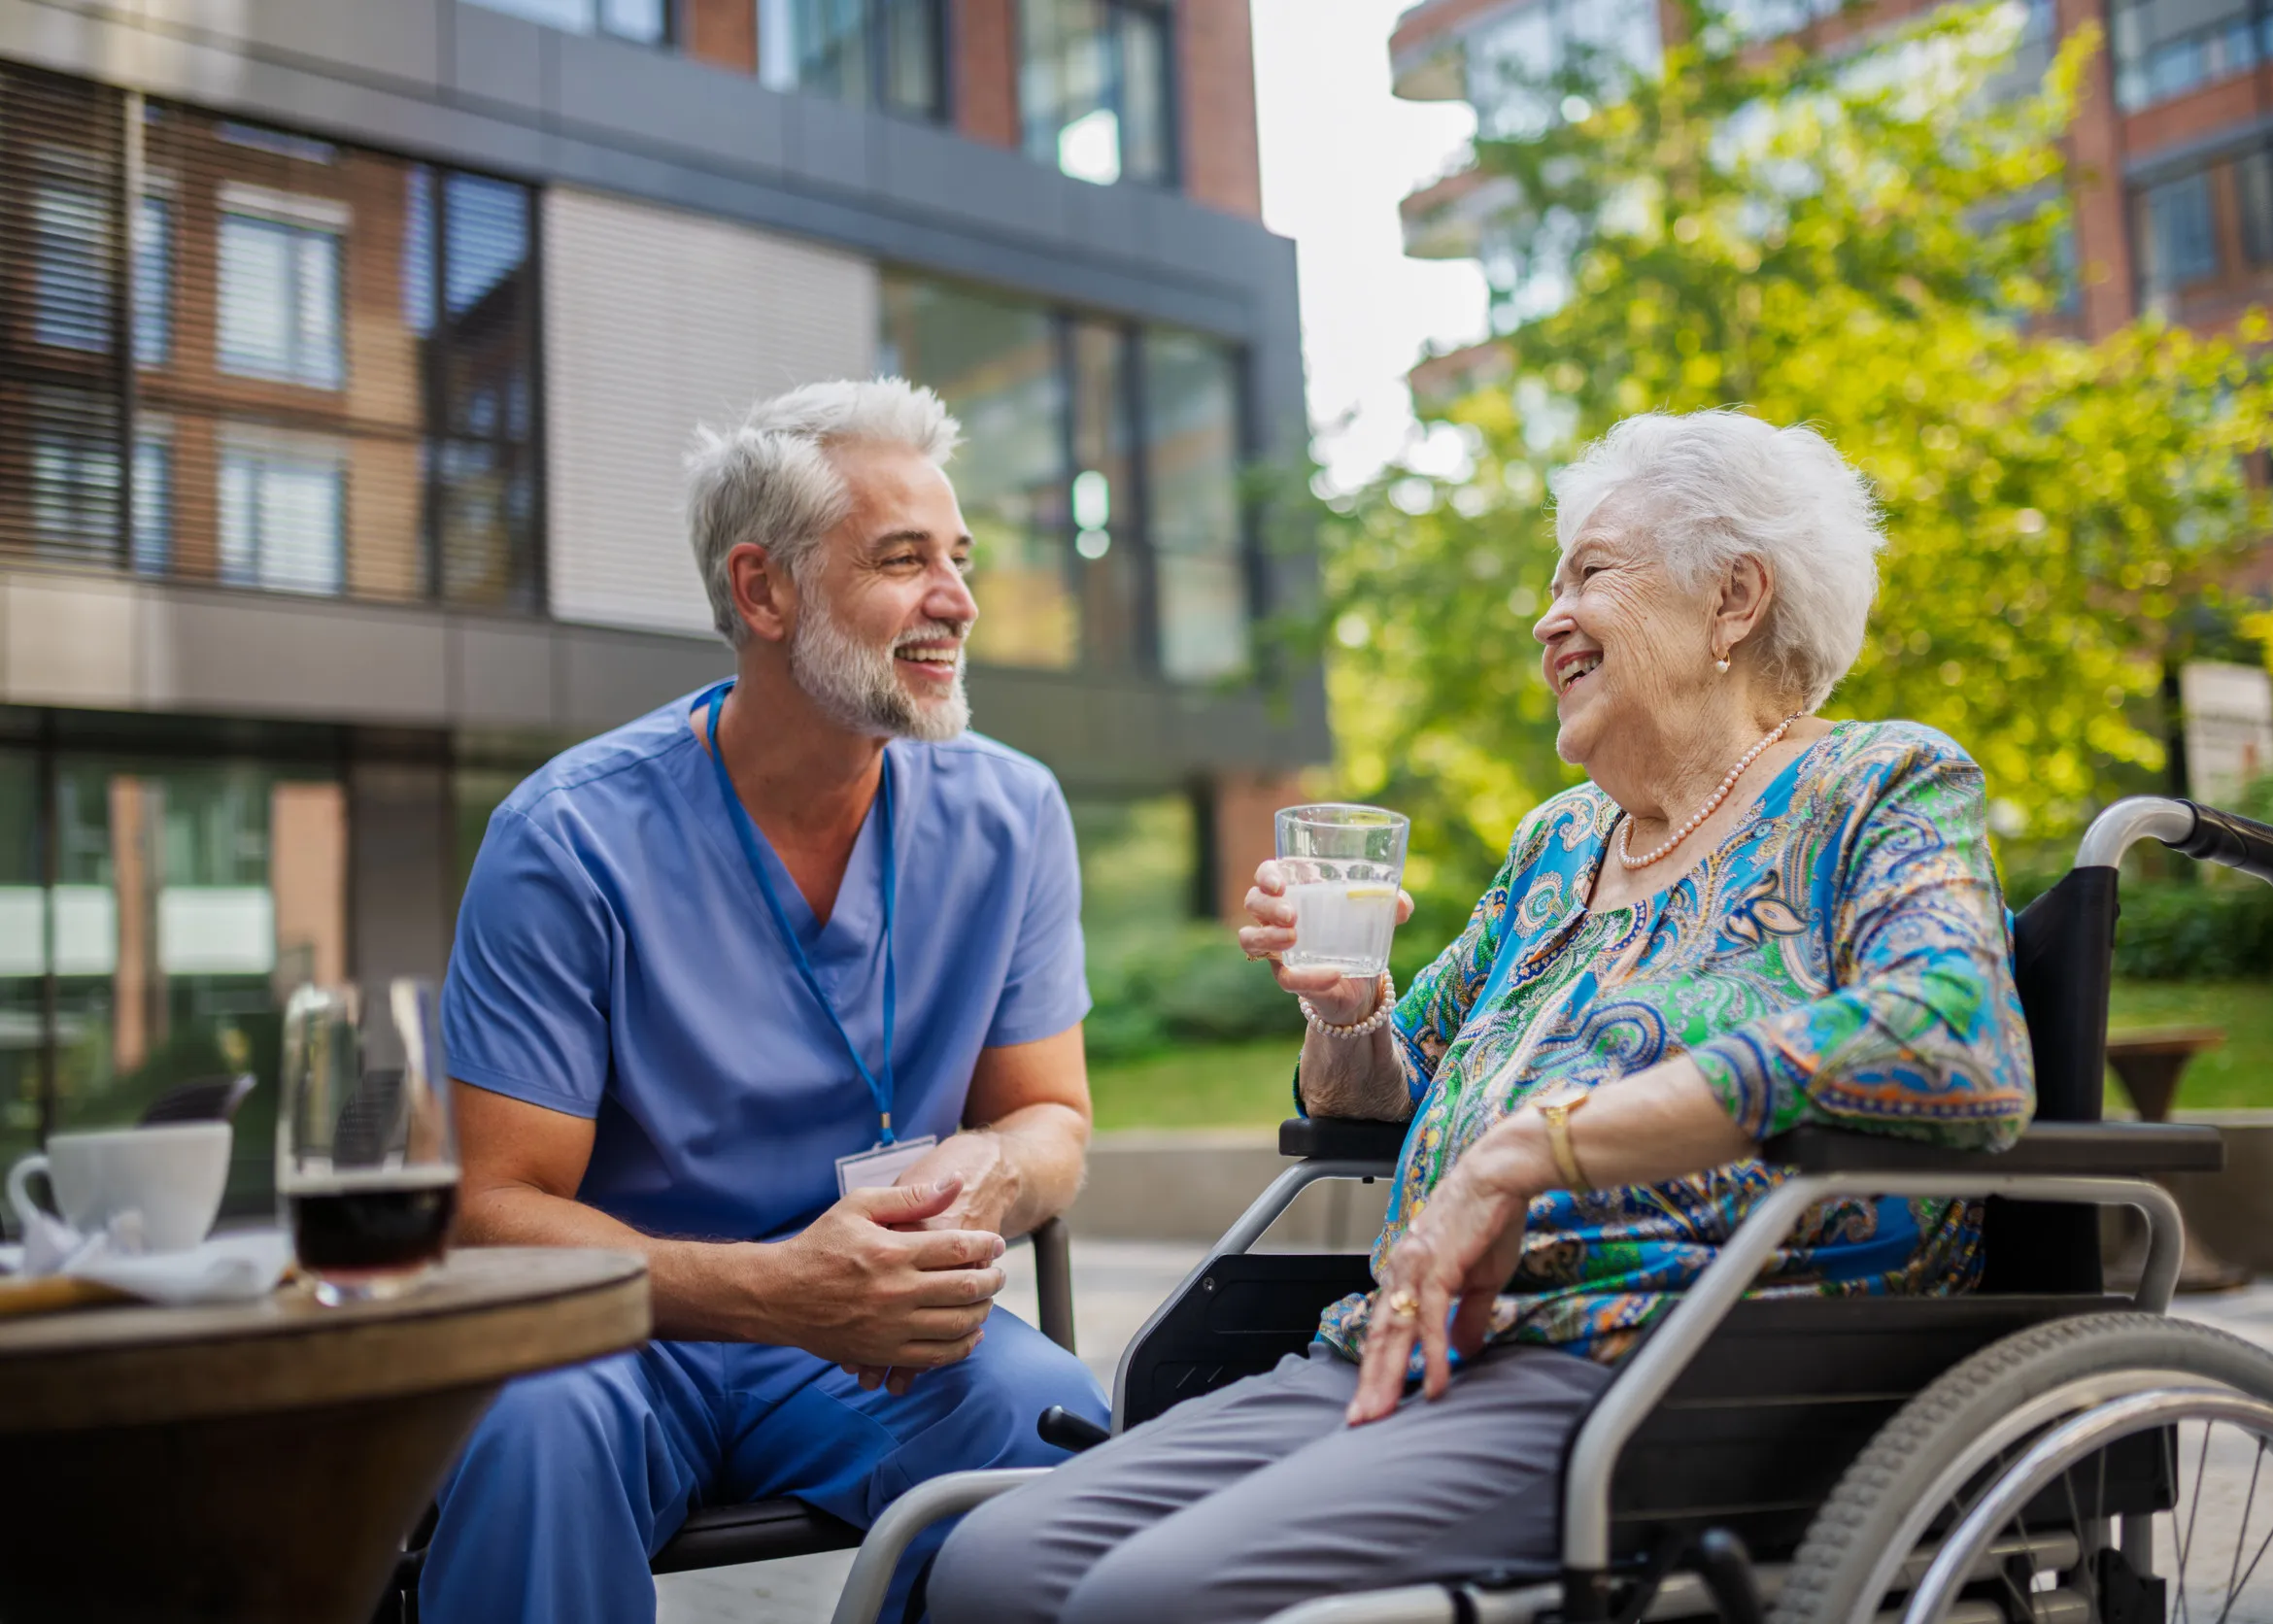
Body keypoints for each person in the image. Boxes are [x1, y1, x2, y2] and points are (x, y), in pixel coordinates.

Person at [929, 409, 2035, 1624]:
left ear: (1735, 599)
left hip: (1664, 1362)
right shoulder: (1562, 841)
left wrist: (1533, 1147)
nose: (1545, 617)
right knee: (992, 1564)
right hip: (1410, 1341)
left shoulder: (1872, 785)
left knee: (1149, 1603)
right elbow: (1379, 1095)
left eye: (1590, 574)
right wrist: (1349, 1011)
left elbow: (1952, 1037)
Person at [420, 379, 1108, 1624]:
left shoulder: (1013, 815)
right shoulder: (568, 838)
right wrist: (781, 1289)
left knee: (1053, 1432)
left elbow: (1050, 1115)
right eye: (905, 559)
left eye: (958, 558)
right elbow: (488, 1209)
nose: (956, 599)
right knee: (531, 1436)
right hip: (622, 1334)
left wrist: (997, 1178)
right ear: (762, 591)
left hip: (886, 1347)